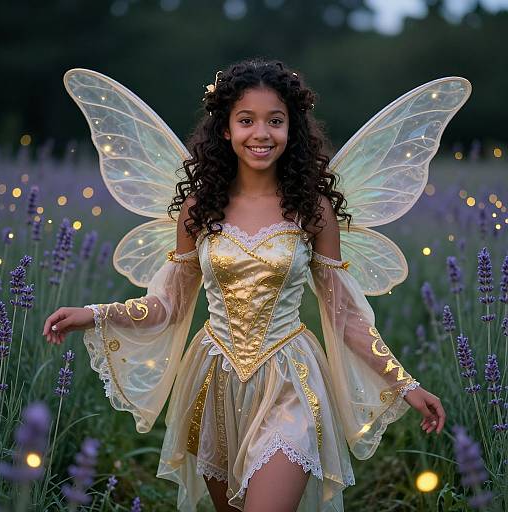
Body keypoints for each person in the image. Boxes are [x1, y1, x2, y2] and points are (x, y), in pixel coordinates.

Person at [43, 58, 447, 512]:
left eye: (275, 121)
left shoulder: (312, 210)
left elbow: (344, 315)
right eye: (246, 120)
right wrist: (94, 315)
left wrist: (405, 383)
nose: (261, 133)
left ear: (292, 129)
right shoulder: (199, 209)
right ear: (225, 130)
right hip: (214, 381)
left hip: (291, 380)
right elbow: (168, 306)